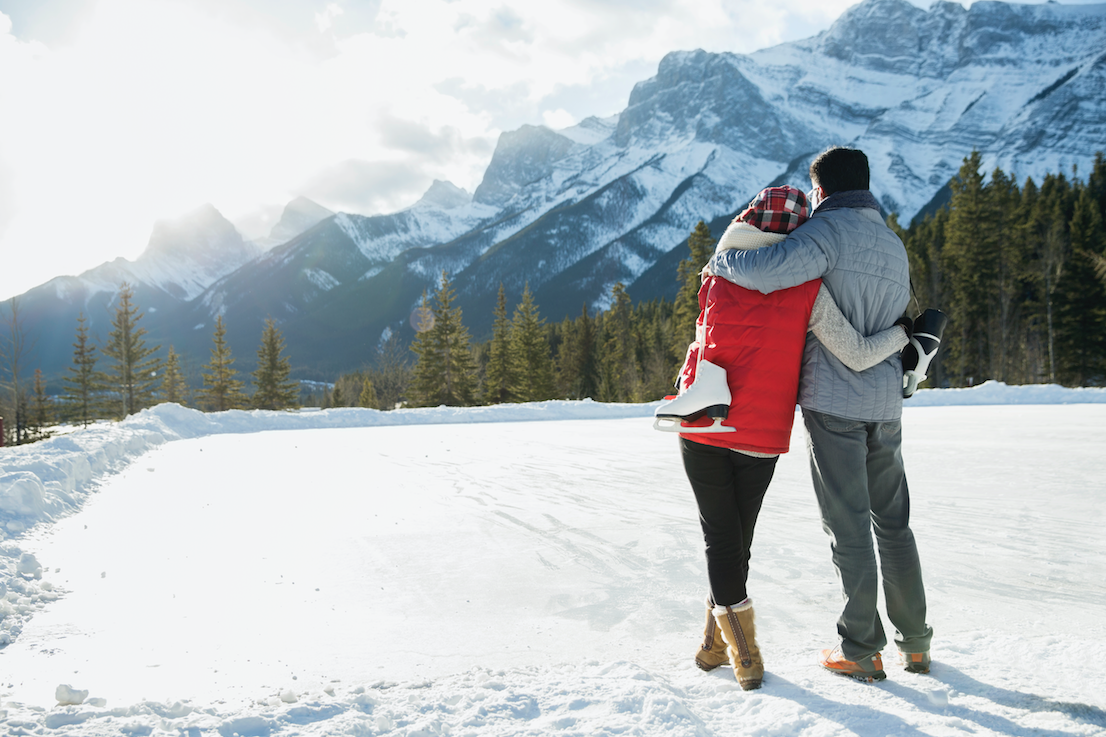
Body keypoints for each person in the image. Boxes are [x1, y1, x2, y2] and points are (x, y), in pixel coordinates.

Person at [707, 147, 933, 682]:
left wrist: (721, 259)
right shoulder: (892, 243)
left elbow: (767, 273)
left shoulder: (826, 232)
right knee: (893, 523)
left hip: (835, 402)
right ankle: (916, 643)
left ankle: (859, 649)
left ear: (821, 190)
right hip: (885, 403)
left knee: (849, 526)